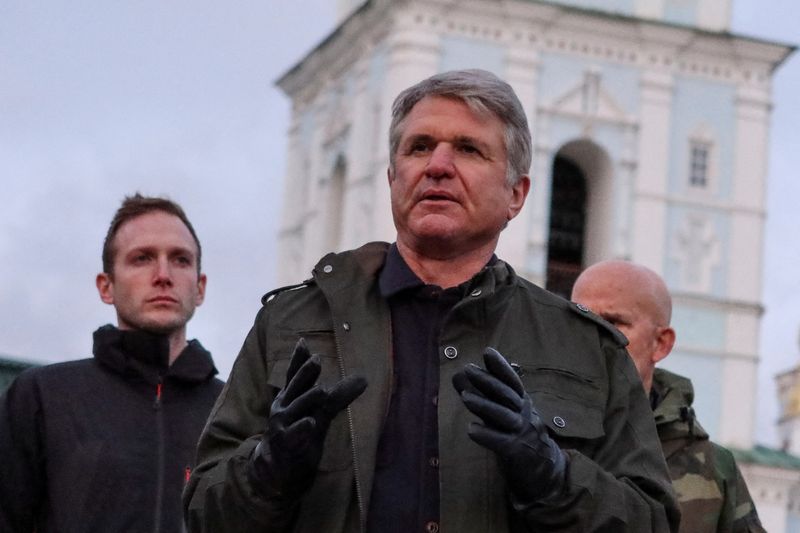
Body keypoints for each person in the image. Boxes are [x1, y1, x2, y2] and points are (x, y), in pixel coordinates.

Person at [183, 69, 679, 532]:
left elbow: (653, 520)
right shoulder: (291, 323)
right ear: (393, 178)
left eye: (468, 149)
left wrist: (553, 474)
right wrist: (268, 467)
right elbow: (203, 511)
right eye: (419, 147)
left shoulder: (584, 345)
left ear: (516, 194)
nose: (438, 166)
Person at [0, 194, 224, 532]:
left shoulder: (234, 411)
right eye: (142, 258)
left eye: (180, 259)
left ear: (200, 287)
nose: (163, 275)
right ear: (107, 286)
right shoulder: (42, 397)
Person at [571, 260, 765, 533]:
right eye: (578, 320)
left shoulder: (711, 469)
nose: (590, 336)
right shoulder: (530, 439)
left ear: (660, 343)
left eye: (613, 322)